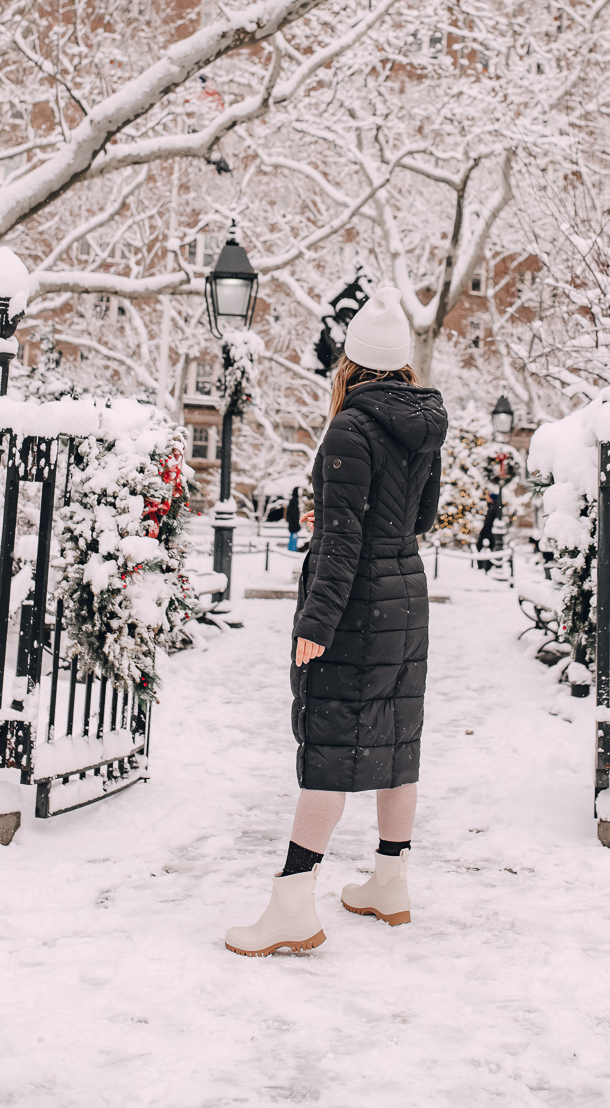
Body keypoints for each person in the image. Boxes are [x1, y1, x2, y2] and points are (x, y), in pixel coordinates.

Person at [225, 286, 448, 956]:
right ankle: (389, 883)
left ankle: (293, 905)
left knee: (330, 746)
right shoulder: (424, 422)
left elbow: (345, 542)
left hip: (356, 604)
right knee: (393, 740)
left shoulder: (351, 427)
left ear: (350, 360)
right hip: (406, 594)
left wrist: (314, 623)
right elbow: (422, 518)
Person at [286, 486, 301, 553]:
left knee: (293, 535)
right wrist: (297, 521)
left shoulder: (292, 500)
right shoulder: (295, 501)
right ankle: (292, 549)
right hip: (294, 522)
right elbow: (294, 513)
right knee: (294, 536)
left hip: (292, 522)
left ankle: (291, 548)